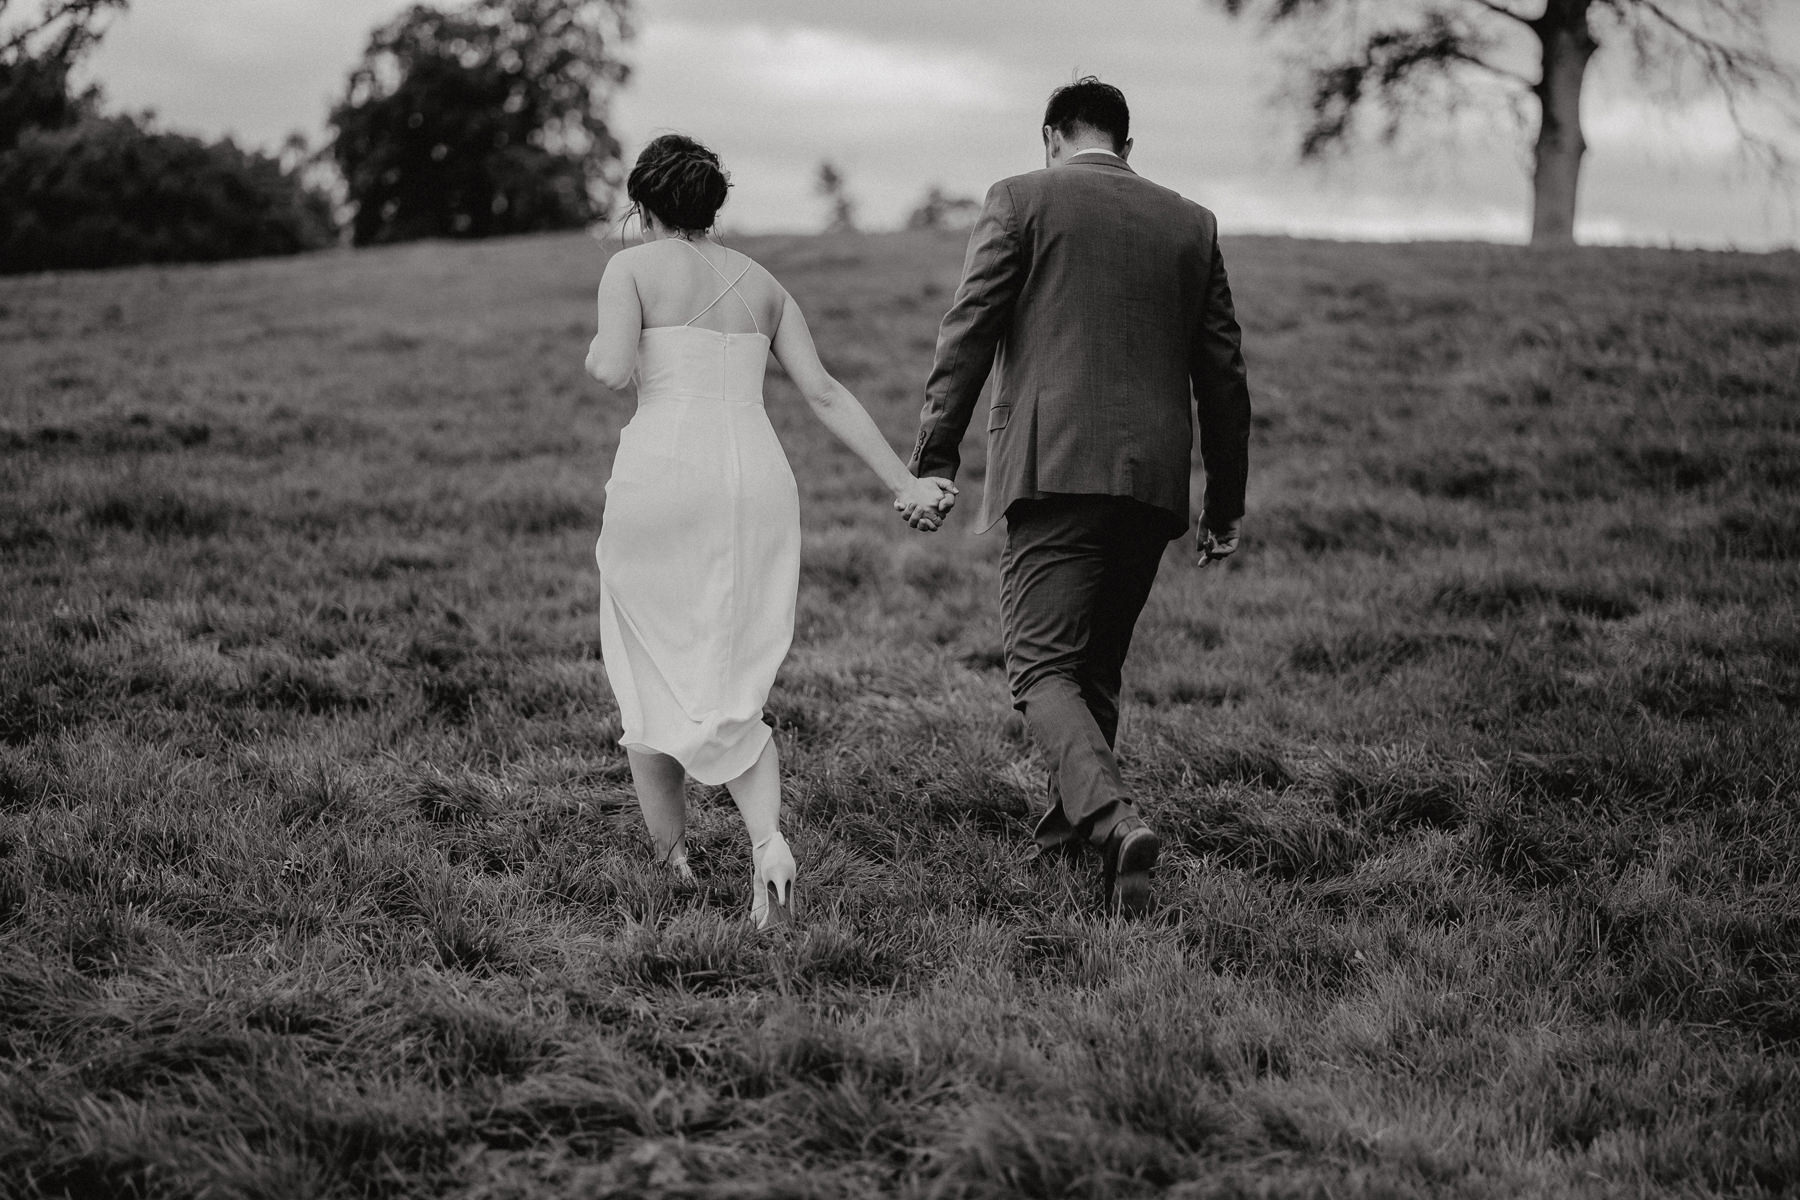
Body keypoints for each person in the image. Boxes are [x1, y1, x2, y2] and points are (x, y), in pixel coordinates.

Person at [898, 78, 1252, 918]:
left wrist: (935, 455)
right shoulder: (1189, 222)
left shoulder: (1021, 198)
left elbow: (968, 329)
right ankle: (1075, 844)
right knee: (1095, 665)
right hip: (1155, 479)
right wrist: (1225, 503)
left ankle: (1114, 818)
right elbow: (1224, 375)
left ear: (1051, 135)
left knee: (1041, 665)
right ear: (1126, 147)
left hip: (1053, 467)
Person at [587, 134, 956, 928]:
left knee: (650, 663)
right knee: (731, 671)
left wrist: (599, 347)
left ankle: (673, 866)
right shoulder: (765, 284)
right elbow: (823, 393)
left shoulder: (630, 269)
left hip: (666, 478)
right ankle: (769, 852)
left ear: (643, 205)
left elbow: (614, 369)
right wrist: (906, 483)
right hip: (756, 481)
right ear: (712, 205)